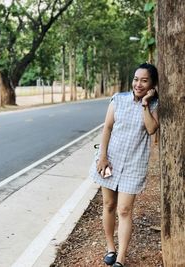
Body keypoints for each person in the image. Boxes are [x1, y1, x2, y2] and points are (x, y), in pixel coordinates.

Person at [89, 63, 159, 267]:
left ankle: (120, 258)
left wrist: (146, 103)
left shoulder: (154, 105)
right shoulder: (118, 100)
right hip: (110, 159)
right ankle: (110, 248)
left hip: (134, 164)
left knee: (125, 210)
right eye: (136, 79)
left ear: (152, 84)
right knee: (109, 205)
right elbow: (107, 128)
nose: (138, 84)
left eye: (144, 80)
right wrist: (102, 156)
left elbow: (152, 129)